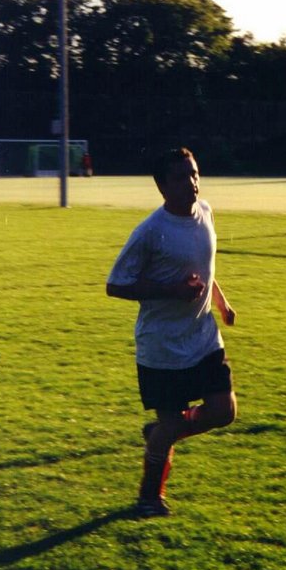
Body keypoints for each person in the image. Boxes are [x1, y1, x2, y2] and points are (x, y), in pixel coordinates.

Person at [106, 147, 237, 518]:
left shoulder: (206, 212)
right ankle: (149, 497)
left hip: (203, 336)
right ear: (162, 187)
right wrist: (172, 291)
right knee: (172, 424)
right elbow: (115, 284)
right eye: (181, 177)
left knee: (224, 411)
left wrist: (222, 303)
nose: (191, 183)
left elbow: (205, 267)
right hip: (162, 346)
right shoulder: (150, 232)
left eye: (194, 173)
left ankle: (163, 432)